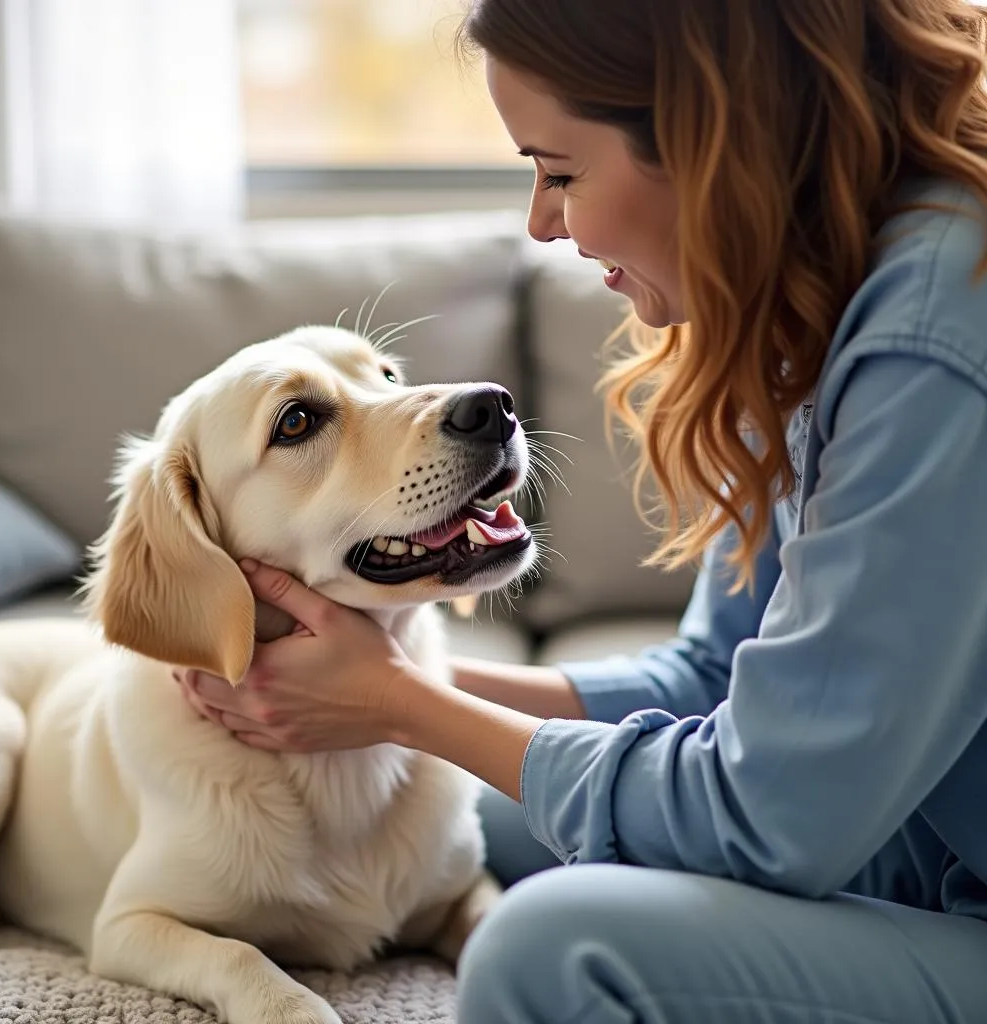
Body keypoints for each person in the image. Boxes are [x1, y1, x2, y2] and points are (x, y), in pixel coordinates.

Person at [174, 1, 987, 1020]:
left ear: (710, 135)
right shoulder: (814, 304)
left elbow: (768, 814)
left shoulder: (931, 340)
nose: (541, 222)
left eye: (558, 171)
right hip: (922, 831)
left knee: (552, 946)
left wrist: (400, 706)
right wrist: (370, 679)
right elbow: (711, 683)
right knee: (453, 817)